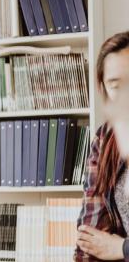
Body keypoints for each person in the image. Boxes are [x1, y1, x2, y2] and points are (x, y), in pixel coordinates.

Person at [76, 31, 129, 261]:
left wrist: (122, 249)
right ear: (103, 89)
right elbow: (91, 236)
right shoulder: (106, 138)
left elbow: (112, 247)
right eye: (116, 85)